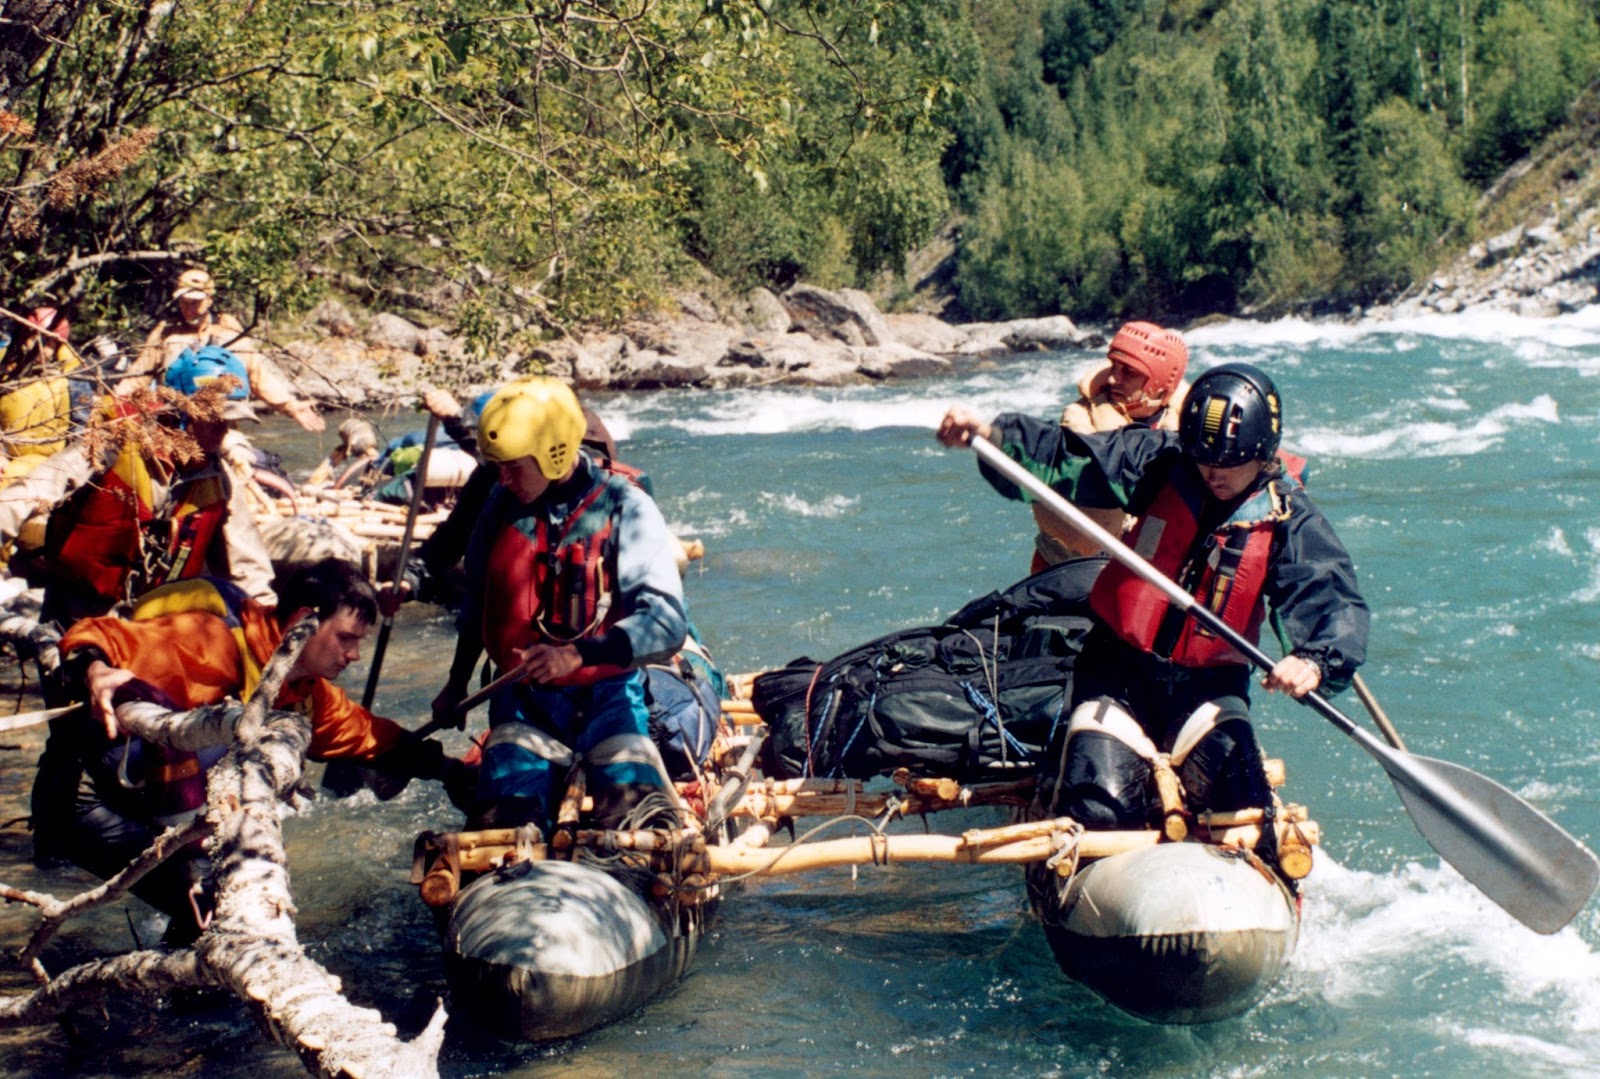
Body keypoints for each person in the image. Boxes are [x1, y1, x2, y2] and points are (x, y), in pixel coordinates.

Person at [937, 362, 1369, 834]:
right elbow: (1071, 458)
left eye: (1228, 465)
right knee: (1101, 811)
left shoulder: (1289, 517)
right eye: (1205, 461)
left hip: (1208, 685)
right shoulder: (1162, 461)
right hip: (1117, 672)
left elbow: (1330, 596)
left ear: (1262, 452)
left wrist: (1314, 661)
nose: (1213, 475)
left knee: (1240, 806)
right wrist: (992, 436)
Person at [39, 560, 471, 941]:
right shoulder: (213, 641)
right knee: (221, 902)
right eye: (345, 638)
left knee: (215, 899)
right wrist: (93, 668)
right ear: (303, 620)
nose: (355, 655)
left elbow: (369, 735)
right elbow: (102, 633)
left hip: (141, 799)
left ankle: (177, 990)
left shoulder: (303, 692)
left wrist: (451, 769)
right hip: (87, 799)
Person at [432, 375, 688, 834]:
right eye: (499, 466)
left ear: (554, 453)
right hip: (522, 704)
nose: (502, 478)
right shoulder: (500, 501)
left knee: (634, 826)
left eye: (513, 466)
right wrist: (455, 685)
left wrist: (578, 654)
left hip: (610, 699)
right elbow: (478, 603)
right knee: (505, 824)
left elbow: (667, 624)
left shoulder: (625, 505)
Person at [1028, 321, 1191, 569]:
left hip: (1152, 561)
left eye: (1128, 371)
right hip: (1074, 563)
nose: (1114, 378)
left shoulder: (1187, 421)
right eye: (1114, 366)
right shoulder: (1079, 418)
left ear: (1158, 382)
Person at [125, 267, 324, 432]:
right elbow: (137, 377)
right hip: (173, 424)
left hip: (220, 425)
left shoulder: (228, 330)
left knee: (239, 462)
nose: (188, 308)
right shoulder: (166, 333)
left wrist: (290, 406)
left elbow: (257, 376)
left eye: (195, 302)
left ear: (210, 300)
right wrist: (111, 404)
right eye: (184, 302)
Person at [0, 306, 90, 484]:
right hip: (5, 448)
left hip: (43, 459)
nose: (38, 347)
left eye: (48, 342)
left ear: (58, 345)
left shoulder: (73, 378)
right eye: (32, 337)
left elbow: (80, 428)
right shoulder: (5, 365)